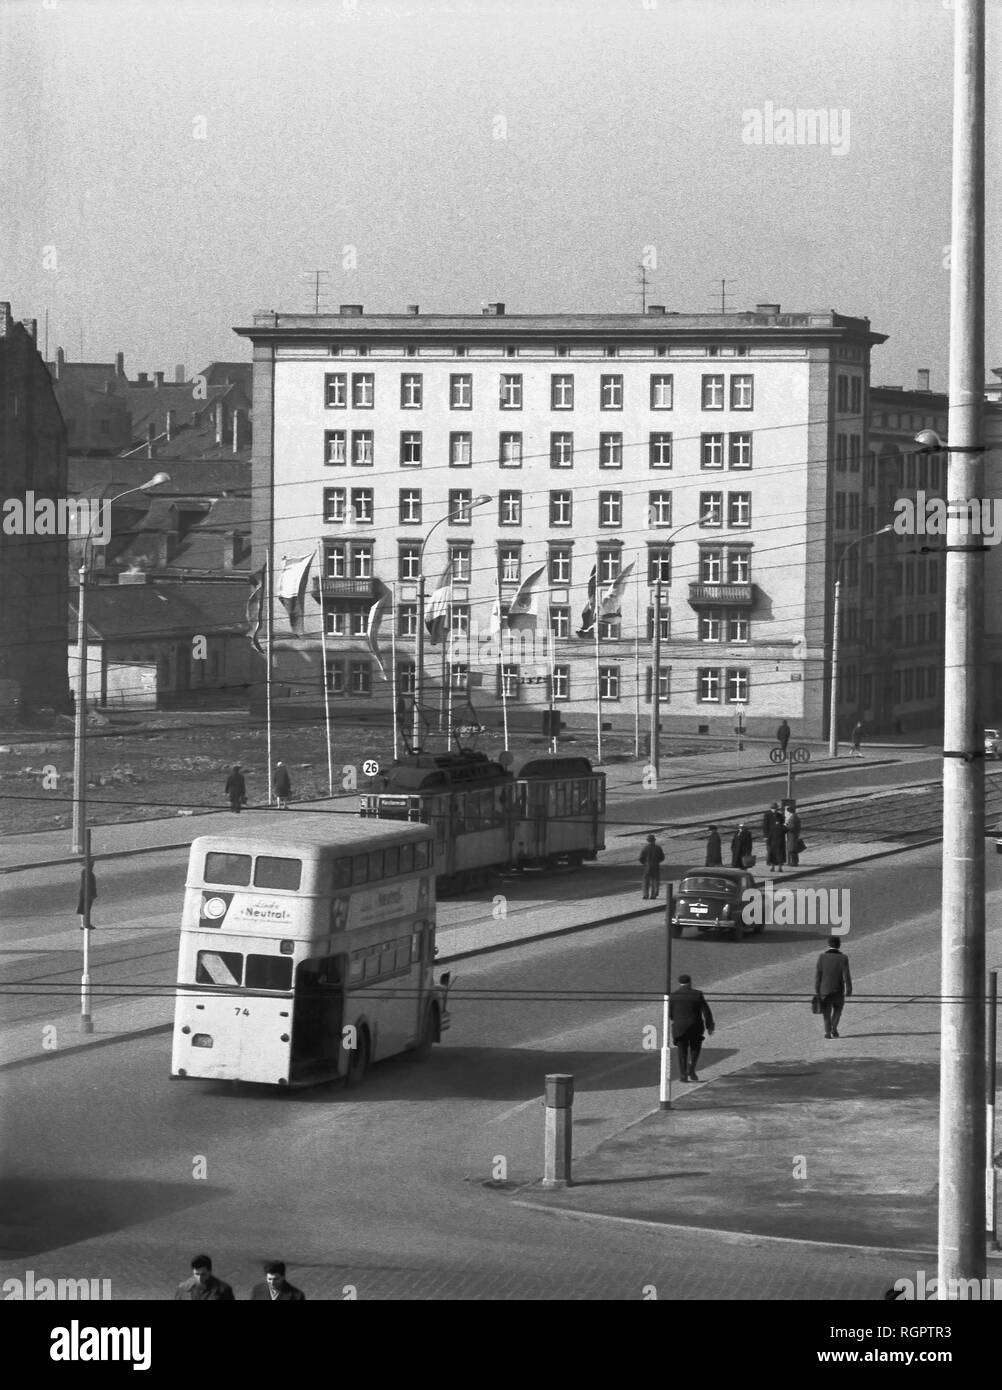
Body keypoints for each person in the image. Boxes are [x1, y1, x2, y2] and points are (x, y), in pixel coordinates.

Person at [669, 973, 715, 1083]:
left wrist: (677, 1019)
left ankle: (683, 1075)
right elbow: (706, 1011)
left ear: (679, 983)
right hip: (695, 1026)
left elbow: (670, 1014)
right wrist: (710, 1026)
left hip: (679, 1027)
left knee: (682, 1051)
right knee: (695, 1048)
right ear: (690, 982)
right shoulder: (697, 994)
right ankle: (691, 1068)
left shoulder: (673, 996)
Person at [814, 936, 852, 1039]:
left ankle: (827, 1032)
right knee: (838, 1009)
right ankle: (834, 1027)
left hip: (824, 990)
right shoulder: (843, 958)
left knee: (826, 1012)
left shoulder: (821, 957)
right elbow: (846, 975)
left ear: (829, 945)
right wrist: (849, 989)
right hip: (838, 990)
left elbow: (818, 976)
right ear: (839, 945)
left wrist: (817, 990)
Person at [639, 834, 665, 899]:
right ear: (654, 840)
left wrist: (644, 863)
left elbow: (641, 858)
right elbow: (662, 857)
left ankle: (645, 895)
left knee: (645, 881)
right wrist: (657, 861)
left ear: (648, 841)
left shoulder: (645, 848)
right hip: (655, 866)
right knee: (655, 881)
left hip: (647, 867)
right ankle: (654, 895)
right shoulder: (658, 848)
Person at [766, 803, 786, 873]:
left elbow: (784, 826)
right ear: (771, 809)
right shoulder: (767, 815)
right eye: (773, 808)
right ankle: (772, 867)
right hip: (772, 838)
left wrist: (783, 827)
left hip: (780, 839)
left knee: (780, 853)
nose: (775, 810)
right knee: (772, 853)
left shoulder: (780, 815)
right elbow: (765, 826)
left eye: (776, 809)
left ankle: (780, 867)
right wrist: (766, 836)